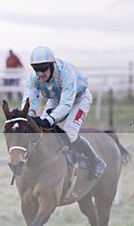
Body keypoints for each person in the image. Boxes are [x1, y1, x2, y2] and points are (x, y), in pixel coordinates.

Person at [21, 46, 106, 179]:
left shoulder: (66, 73)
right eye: (36, 69)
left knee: (69, 134)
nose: (40, 73)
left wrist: (49, 119)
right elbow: (30, 97)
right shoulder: (34, 77)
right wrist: (29, 115)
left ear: (51, 65)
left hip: (79, 99)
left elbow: (67, 103)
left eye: (43, 69)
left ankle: (96, 161)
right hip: (56, 99)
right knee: (41, 131)